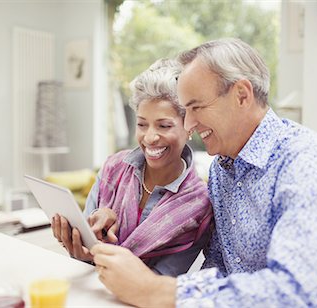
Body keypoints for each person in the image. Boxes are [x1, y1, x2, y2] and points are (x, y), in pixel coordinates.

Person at [90, 38, 317, 307]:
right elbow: (218, 268)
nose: (188, 124)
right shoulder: (223, 168)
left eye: (196, 107)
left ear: (241, 95)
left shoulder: (306, 162)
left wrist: (157, 291)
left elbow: (296, 293)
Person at [52, 58, 212, 277]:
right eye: (142, 124)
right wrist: (82, 249)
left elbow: (159, 282)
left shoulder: (199, 205)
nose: (150, 137)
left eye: (164, 125)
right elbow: (84, 251)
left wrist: (101, 254)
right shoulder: (113, 168)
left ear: (189, 126)